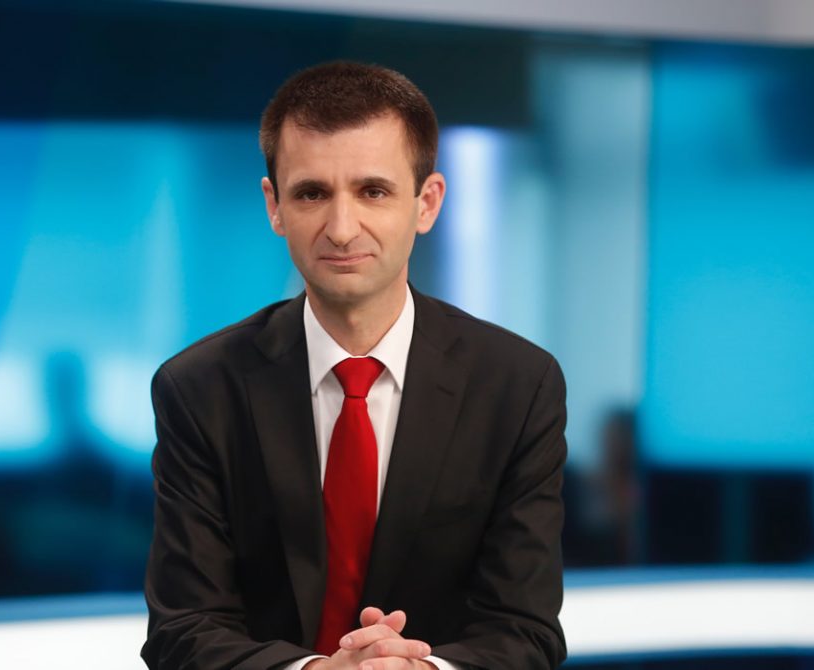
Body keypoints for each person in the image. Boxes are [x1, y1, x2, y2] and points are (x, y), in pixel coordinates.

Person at [142, 61, 567, 670]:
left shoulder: (518, 386)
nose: (342, 230)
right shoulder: (198, 388)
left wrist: (422, 669)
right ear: (275, 206)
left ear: (427, 203)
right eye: (312, 193)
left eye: (373, 191)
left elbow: (526, 631)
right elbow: (181, 630)